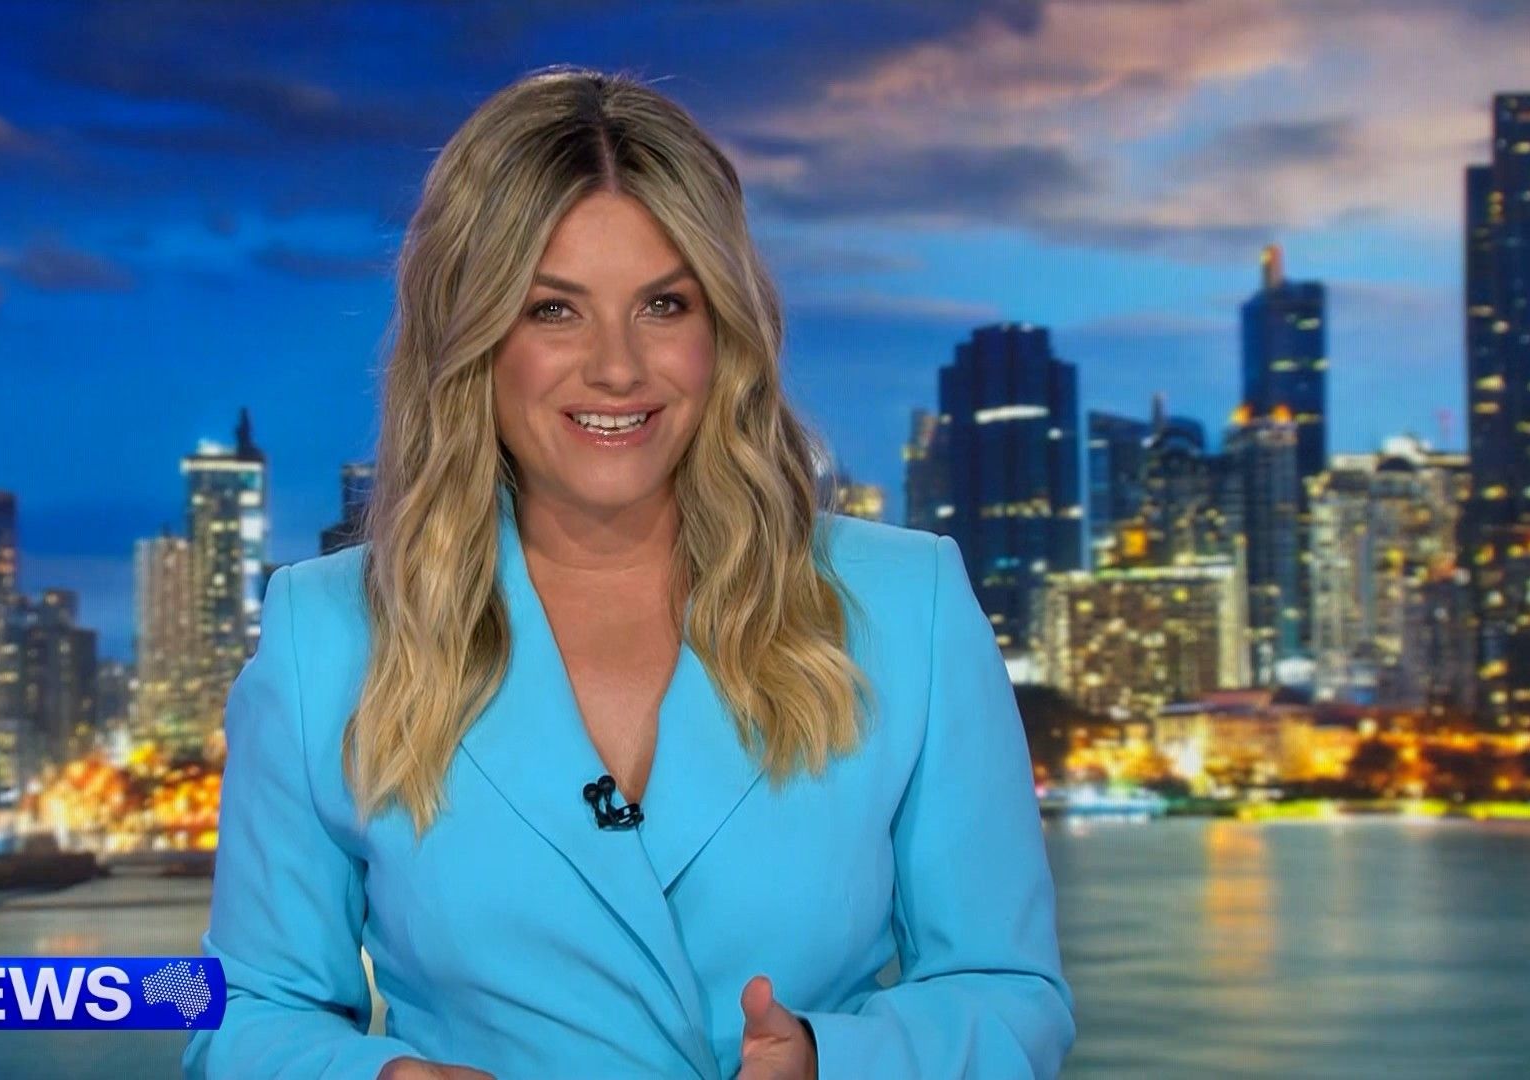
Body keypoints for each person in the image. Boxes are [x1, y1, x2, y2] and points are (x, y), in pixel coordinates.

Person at [182, 64, 1075, 1080]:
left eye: (663, 304)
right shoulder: (327, 633)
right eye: (552, 310)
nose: (616, 367)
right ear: (472, 336)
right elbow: (241, 1010)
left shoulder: (908, 606)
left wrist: (833, 1063)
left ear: (723, 329)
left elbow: (1012, 995)